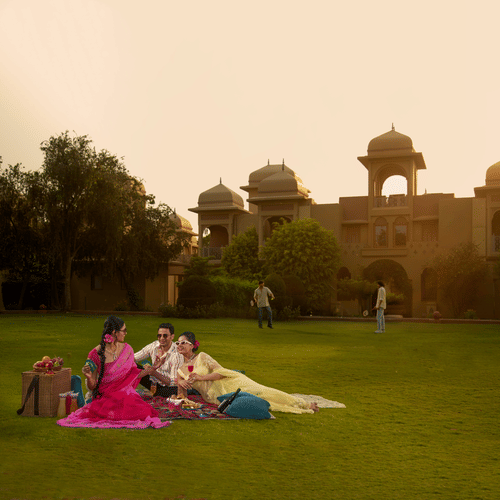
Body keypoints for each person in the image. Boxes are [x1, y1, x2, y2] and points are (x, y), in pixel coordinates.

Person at [57, 315, 170, 429]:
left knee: (145, 412)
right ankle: (79, 388)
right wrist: (89, 377)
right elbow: (92, 386)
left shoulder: (127, 349)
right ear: (115, 332)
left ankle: (80, 393)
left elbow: (135, 375)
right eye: (124, 330)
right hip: (106, 397)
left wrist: (155, 367)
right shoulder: (95, 354)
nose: (126, 333)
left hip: (125, 394)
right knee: (114, 413)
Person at [176, 332, 319, 414]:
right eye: (178, 343)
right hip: (215, 396)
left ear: (192, 345)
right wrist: (180, 383)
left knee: (262, 392)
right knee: (257, 401)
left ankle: (305, 404)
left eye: (184, 343)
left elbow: (221, 372)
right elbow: (181, 396)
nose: (179, 345)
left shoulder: (202, 356)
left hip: (230, 382)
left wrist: (201, 377)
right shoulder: (181, 369)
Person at [134, 322, 184, 397]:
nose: (161, 338)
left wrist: (153, 372)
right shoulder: (154, 346)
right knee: (132, 366)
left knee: (174, 390)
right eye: (159, 335)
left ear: (172, 337)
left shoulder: (177, 354)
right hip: (153, 383)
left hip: (169, 387)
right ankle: (123, 391)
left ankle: (158, 394)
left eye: (165, 336)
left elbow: (173, 383)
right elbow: (133, 358)